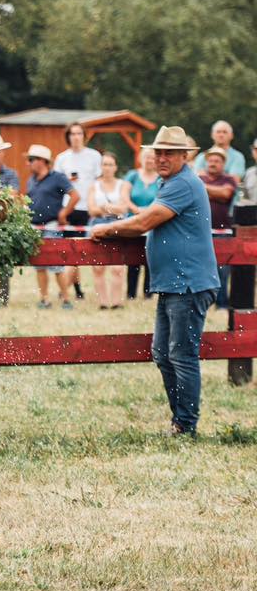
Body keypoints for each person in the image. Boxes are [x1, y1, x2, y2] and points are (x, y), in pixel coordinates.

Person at [91, 126, 219, 437]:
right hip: (175, 283)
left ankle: (186, 425)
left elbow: (147, 220)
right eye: (158, 152)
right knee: (163, 352)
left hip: (188, 283)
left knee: (181, 354)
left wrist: (107, 229)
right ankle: (180, 420)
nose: (161, 157)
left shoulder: (183, 184)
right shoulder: (173, 182)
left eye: (169, 153)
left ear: (184, 156)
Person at [26, 144, 80, 309]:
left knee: (56, 265)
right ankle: (44, 299)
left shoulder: (58, 177)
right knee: (39, 265)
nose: (29, 163)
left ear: (42, 161)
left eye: (31, 160)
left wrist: (64, 214)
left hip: (52, 225)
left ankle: (65, 299)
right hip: (34, 226)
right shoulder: (31, 181)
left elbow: (75, 196)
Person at [52, 123, 101, 300]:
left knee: (81, 252)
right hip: (68, 207)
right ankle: (76, 289)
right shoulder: (62, 158)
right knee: (70, 251)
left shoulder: (94, 156)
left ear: (84, 135)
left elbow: (98, 182)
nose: (76, 137)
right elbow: (56, 185)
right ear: (68, 137)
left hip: (87, 208)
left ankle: (65, 287)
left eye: (79, 133)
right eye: (72, 134)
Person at [86, 151, 134, 309]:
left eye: (110, 164)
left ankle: (116, 302)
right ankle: (103, 303)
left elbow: (124, 208)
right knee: (98, 267)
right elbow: (92, 210)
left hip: (118, 225)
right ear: (101, 167)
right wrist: (112, 208)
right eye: (104, 164)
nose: (107, 168)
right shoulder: (94, 186)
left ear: (115, 167)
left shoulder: (124, 185)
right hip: (98, 225)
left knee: (117, 267)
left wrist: (105, 207)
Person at [199, 146, 239, 309]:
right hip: (202, 232)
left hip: (223, 231)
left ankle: (222, 304)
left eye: (217, 161)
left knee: (223, 269)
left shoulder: (228, 179)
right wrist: (209, 190)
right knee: (204, 270)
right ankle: (207, 303)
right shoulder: (199, 179)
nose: (213, 163)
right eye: (210, 160)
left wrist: (202, 187)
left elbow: (225, 194)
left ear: (223, 164)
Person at [125, 147, 161, 298]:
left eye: (152, 158)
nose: (149, 160)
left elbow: (161, 198)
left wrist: (148, 212)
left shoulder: (160, 178)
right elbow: (124, 196)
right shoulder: (133, 175)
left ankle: (148, 292)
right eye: (147, 157)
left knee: (150, 257)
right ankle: (131, 293)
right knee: (132, 257)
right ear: (141, 158)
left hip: (153, 220)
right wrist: (135, 210)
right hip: (133, 219)